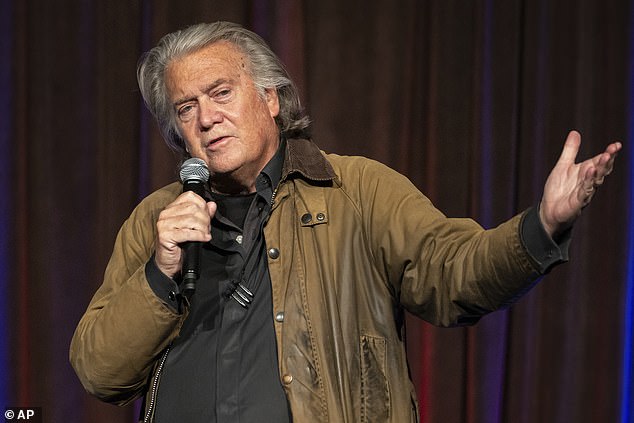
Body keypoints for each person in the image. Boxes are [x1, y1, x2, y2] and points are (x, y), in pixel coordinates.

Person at [69, 21, 621, 423]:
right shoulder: (157, 220)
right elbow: (99, 372)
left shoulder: (354, 190)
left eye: (220, 93)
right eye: (186, 108)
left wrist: (542, 225)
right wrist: (161, 273)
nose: (207, 118)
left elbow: (454, 273)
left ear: (271, 99)